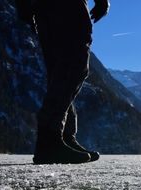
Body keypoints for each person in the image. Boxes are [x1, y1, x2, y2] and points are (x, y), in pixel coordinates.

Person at [15, 0, 110, 164]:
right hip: (66, 7)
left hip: (43, 9)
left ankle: (63, 138)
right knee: (73, 65)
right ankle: (50, 140)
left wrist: (24, 6)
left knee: (59, 69)